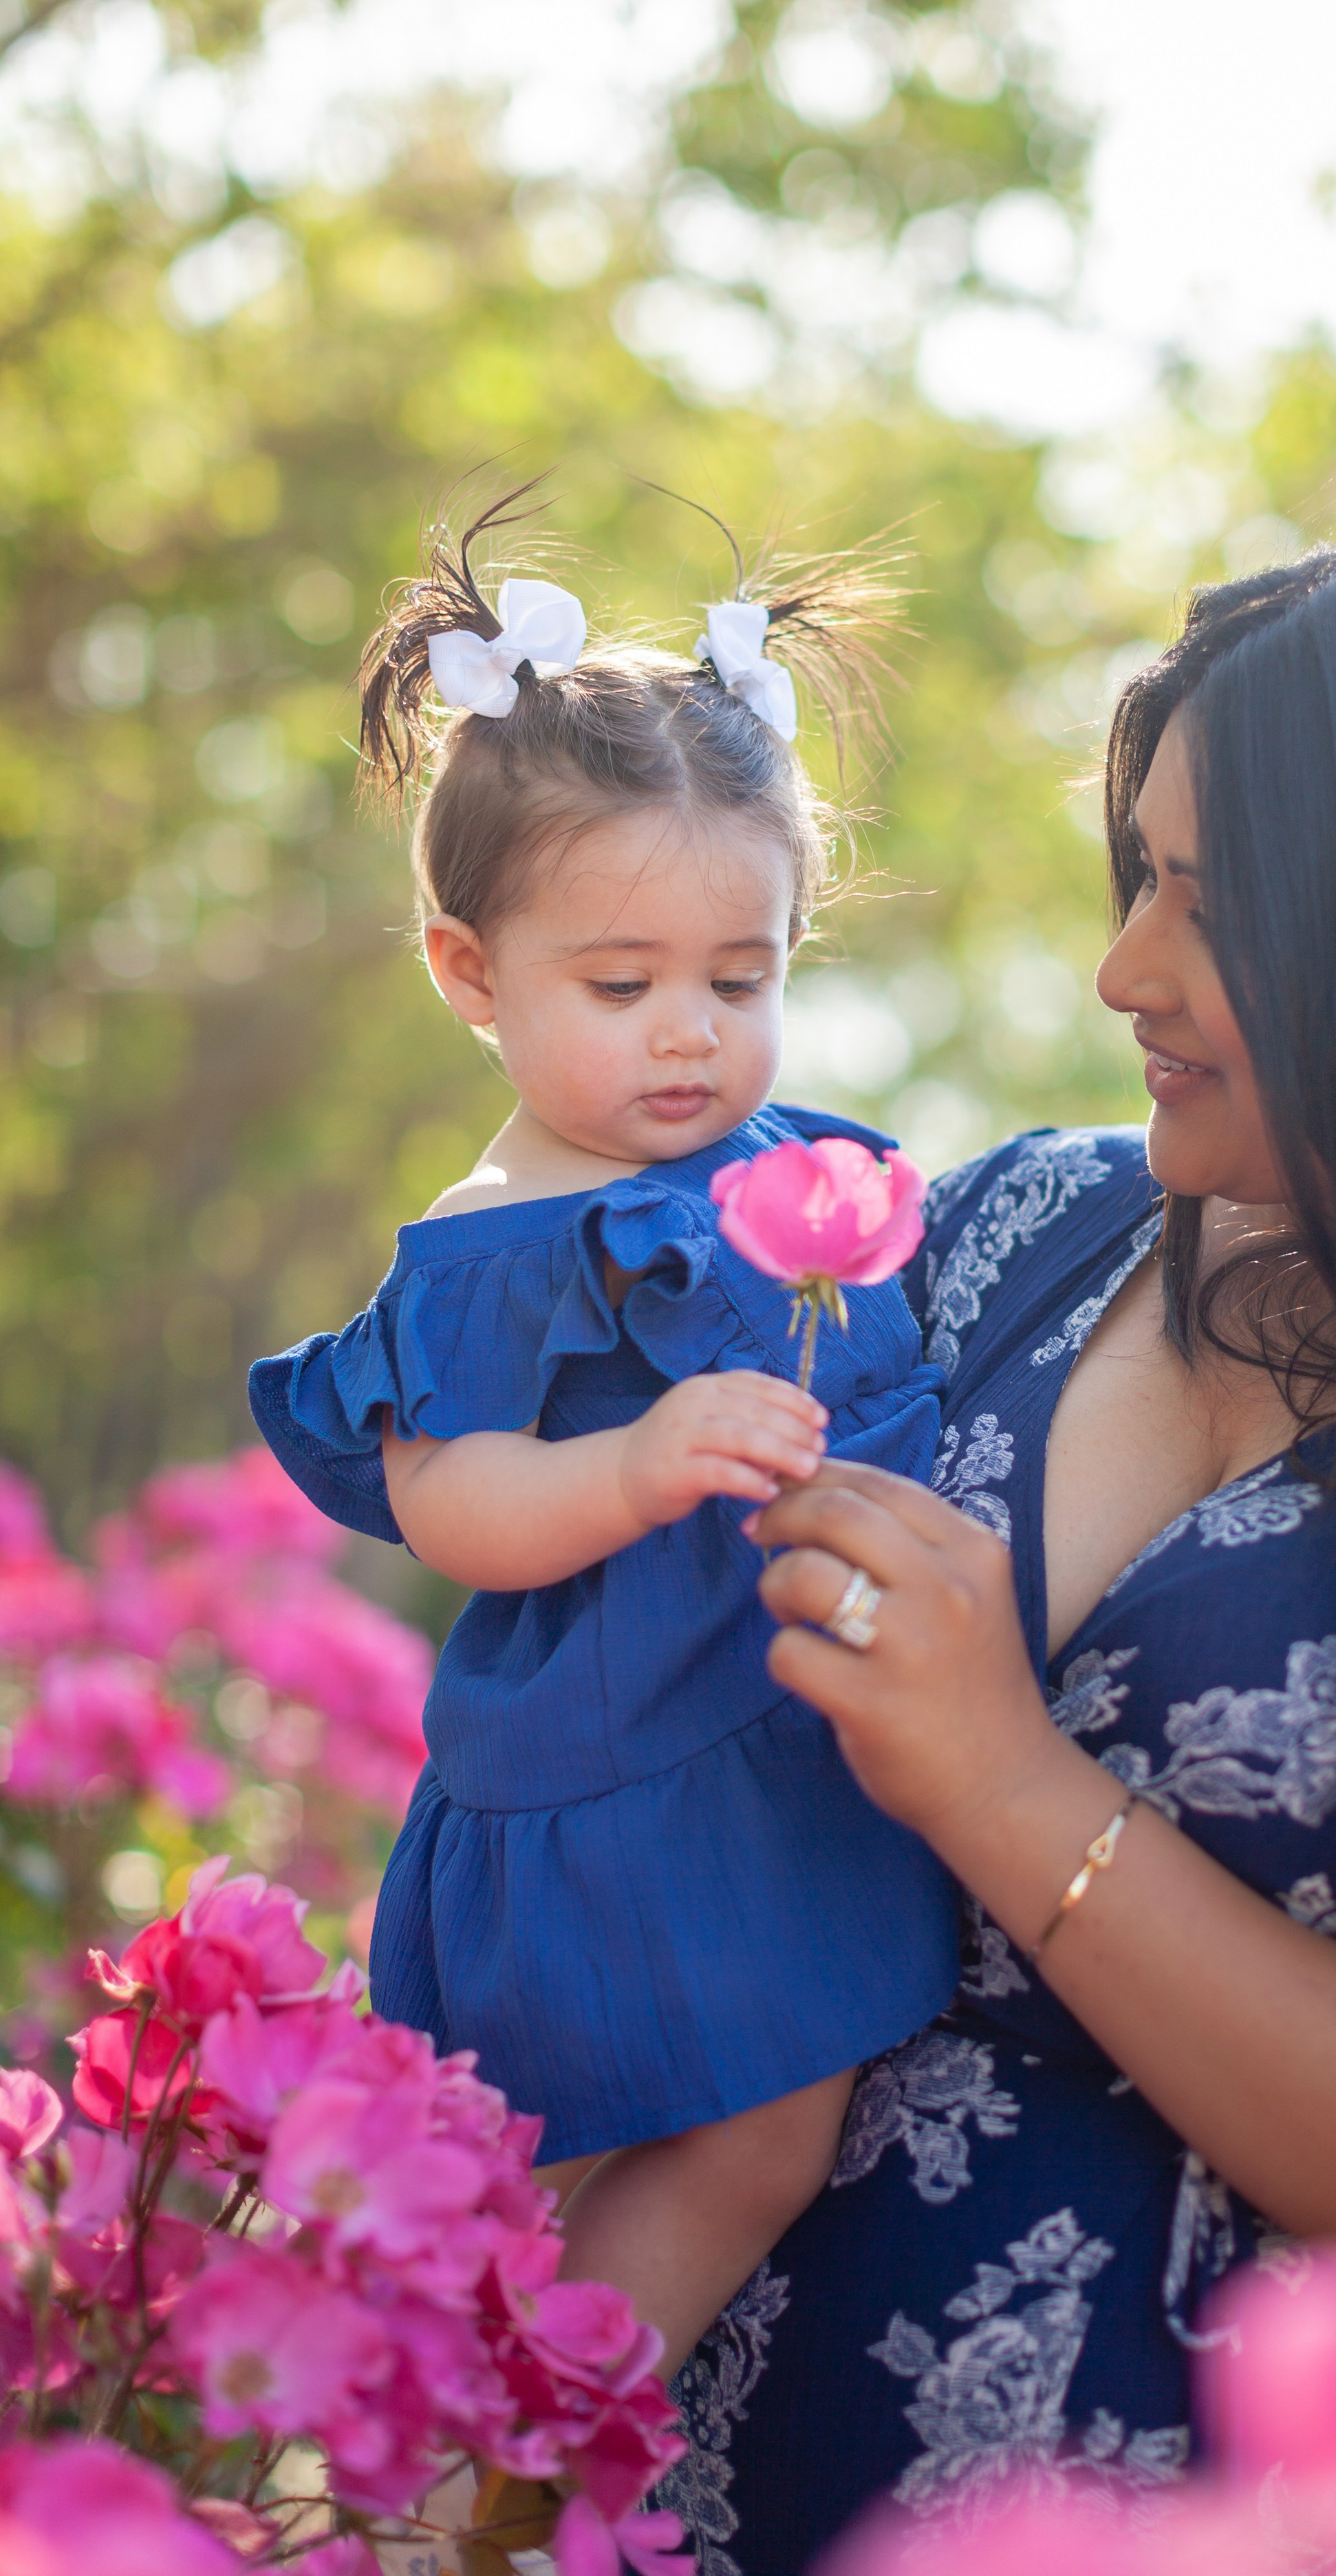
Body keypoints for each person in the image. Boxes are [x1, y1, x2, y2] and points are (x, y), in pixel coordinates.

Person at [658, 515, 1336, 2573]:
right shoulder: (1002, 1235)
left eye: (1206, 904)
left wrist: (1009, 1786)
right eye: (1140, 873)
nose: (1121, 969)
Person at [248, 491, 958, 2373]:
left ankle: (537, 2417)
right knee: (617, 2133)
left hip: (765, 1746)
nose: (690, 1037)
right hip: (615, 1770)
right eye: (622, 984)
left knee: (778, 2118)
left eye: (744, 979)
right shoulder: (495, 1242)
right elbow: (450, 1498)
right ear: (469, 974)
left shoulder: (790, 1165)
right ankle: (507, 2439)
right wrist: (637, 1466)